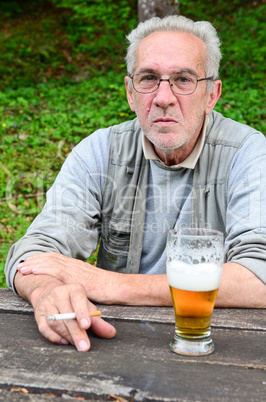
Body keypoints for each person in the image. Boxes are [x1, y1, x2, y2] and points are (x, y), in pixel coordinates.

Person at [5, 15, 266, 352]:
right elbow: (33, 254)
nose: (163, 97)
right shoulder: (99, 151)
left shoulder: (248, 153)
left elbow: (260, 277)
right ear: (131, 92)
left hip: (220, 345)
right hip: (114, 344)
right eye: (148, 78)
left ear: (211, 94)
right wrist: (45, 291)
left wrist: (112, 285)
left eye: (183, 79)